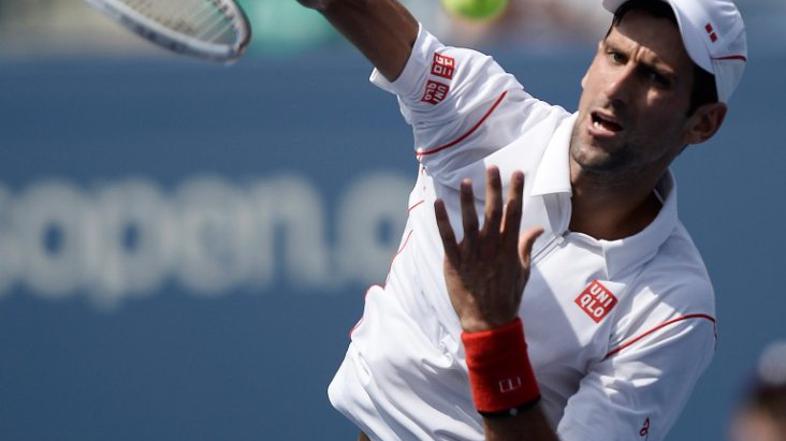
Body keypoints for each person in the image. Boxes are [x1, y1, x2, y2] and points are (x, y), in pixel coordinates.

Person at [294, 0, 747, 439]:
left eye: (655, 77)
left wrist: (492, 331)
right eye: (615, 55)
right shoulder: (483, 114)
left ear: (703, 123)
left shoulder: (675, 306)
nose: (617, 88)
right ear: (592, 62)